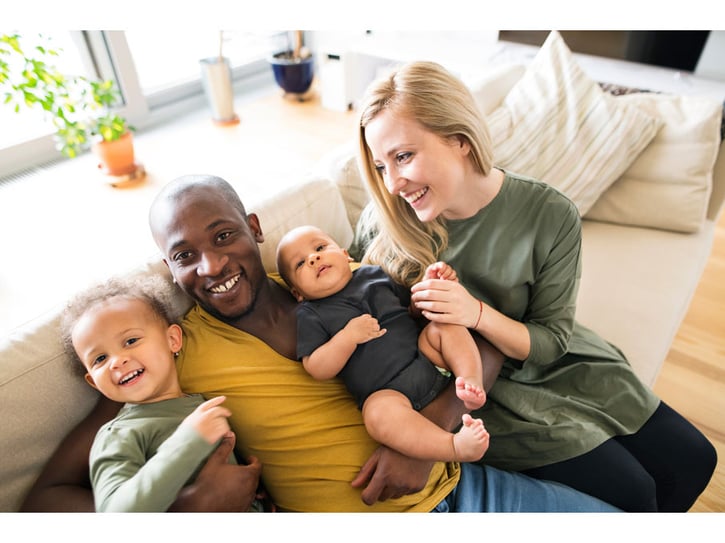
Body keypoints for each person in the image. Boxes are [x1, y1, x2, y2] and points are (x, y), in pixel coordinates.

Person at [21, 174, 620, 513]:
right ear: (170, 270)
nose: (209, 265)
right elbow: (46, 499)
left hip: (460, 488)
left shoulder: (335, 278)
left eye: (224, 236)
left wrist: (427, 439)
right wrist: (187, 506)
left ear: (254, 229)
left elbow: (478, 348)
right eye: (184, 256)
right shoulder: (171, 349)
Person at [352, 60, 717, 512]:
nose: (392, 184)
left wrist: (476, 314)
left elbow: (551, 341)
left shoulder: (548, 212)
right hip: (482, 392)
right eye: (380, 165)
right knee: (635, 493)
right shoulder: (383, 227)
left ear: (459, 140)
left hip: (553, 358)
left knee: (696, 459)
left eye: (403, 156)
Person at [276, 225, 488, 463]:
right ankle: (454, 447)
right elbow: (316, 367)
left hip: (426, 356)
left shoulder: (374, 274)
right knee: (376, 417)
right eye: (300, 264)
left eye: (320, 248)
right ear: (298, 293)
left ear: (346, 255)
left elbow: (412, 312)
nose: (313, 258)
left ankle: (469, 382)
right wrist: (347, 337)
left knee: (443, 326)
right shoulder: (311, 314)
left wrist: (428, 289)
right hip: (387, 393)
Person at [60, 274, 265, 512]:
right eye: (100, 359)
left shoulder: (201, 403)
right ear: (93, 382)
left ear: (173, 340)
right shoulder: (117, 435)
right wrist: (187, 442)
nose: (117, 361)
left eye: (130, 341)